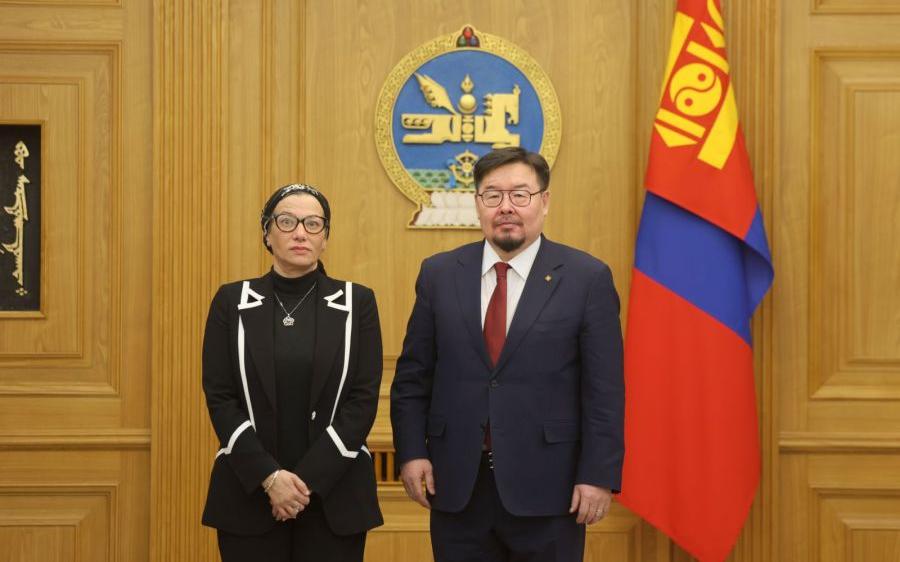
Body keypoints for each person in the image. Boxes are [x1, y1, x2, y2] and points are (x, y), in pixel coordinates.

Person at [390, 147, 624, 562]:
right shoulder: (439, 274)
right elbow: (413, 378)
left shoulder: (586, 278)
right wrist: (411, 452)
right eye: (493, 195)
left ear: (544, 201)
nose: (506, 207)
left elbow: (604, 391)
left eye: (520, 194)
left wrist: (597, 475)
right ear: (477, 203)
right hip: (457, 485)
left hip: (551, 489)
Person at [201, 184, 383, 562]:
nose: (300, 233)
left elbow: (362, 400)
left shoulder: (358, 303)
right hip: (249, 493)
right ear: (267, 233)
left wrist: (302, 485)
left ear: (325, 238)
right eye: (287, 222)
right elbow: (220, 397)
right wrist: (270, 479)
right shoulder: (231, 301)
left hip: (335, 497)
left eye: (313, 224)